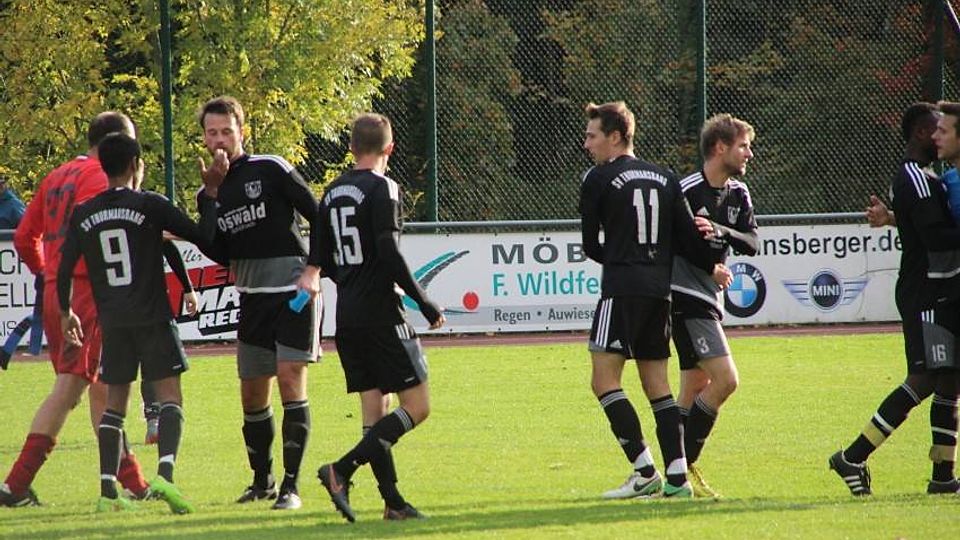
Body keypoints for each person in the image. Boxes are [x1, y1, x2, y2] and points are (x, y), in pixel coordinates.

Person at [578, 101, 730, 500]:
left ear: (615, 136)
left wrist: (621, 259)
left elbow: (591, 245)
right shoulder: (666, 177)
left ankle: (644, 470)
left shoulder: (597, 177)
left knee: (603, 381)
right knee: (657, 386)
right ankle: (677, 479)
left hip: (621, 290)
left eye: (592, 136)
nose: (587, 144)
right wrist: (713, 262)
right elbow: (689, 240)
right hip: (659, 294)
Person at [58, 132, 215, 513]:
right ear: (135, 165)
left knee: (115, 404)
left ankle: (107, 492)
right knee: (170, 397)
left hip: (113, 321)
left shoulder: (84, 212)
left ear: (103, 167)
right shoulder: (151, 205)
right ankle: (165, 476)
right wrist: (210, 195)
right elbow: (202, 237)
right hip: (153, 317)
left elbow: (63, 269)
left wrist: (66, 312)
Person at [1, 112, 152, 507]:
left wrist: (48, 275)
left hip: (59, 292)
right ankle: (14, 485)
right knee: (72, 388)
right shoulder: (101, 177)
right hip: (88, 293)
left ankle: (134, 484)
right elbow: (108, 230)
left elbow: (24, 237)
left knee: (94, 387)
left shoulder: (57, 176)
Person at [315, 113, 444, 522]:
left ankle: (393, 503)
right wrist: (423, 301)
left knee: (375, 412)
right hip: (381, 314)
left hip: (348, 315)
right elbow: (388, 250)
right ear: (390, 148)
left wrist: (353, 279)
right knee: (417, 406)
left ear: (352, 148)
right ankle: (341, 469)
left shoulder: (331, 192)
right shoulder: (383, 187)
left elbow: (322, 258)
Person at [195, 96, 321, 510]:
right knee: (252, 395)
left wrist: (313, 270)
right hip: (252, 299)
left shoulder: (271, 168)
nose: (219, 140)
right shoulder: (208, 190)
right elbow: (215, 249)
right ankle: (262, 481)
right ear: (204, 138)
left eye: (226, 131)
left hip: (294, 294)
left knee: (290, 379)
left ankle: (291, 487)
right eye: (212, 133)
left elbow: (318, 215)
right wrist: (211, 193)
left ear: (242, 132)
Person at [829, 101, 960, 495]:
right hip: (926, 293)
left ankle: (942, 477)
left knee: (949, 380)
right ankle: (852, 457)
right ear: (921, 133)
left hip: (941, 291)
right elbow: (934, 236)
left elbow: (923, 223)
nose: (939, 135)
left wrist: (890, 217)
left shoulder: (928, 177)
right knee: (924, 379)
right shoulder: (916, 177)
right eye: (935, 129)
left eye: (945, 129)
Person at [671, 114, 758, 498]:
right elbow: (670, 242)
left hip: (708, 296)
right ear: (720, 148)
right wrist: (711, 267)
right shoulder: (686, 190)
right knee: (725, 381)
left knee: (694, 387)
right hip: (685, 296)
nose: (749, 154)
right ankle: (680, 468)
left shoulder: (739, 193)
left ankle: (672, 474)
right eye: (743, 146)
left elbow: (752, 242)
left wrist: (721, 231)